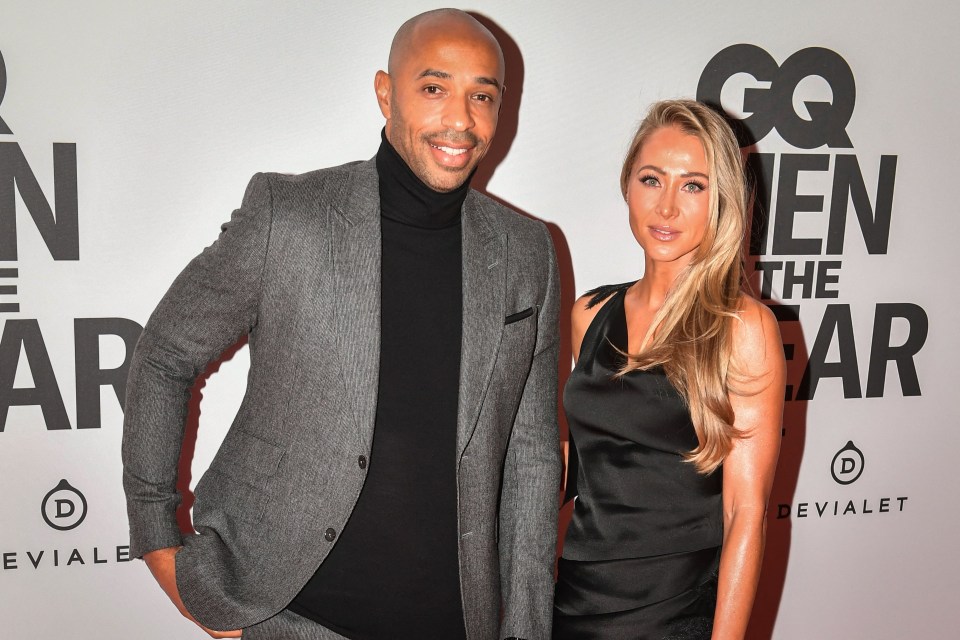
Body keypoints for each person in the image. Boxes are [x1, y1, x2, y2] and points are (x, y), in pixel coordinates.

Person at [121, 9, 561, 640]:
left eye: (482, 96)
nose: (460, 120)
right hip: (292, 619)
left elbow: (532, 457)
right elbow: (165, 353)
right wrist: (155, 531)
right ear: (386, 93)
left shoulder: (526, 252)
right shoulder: (289, 217)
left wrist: (524, 630)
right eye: (434, 89)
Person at [552, 100, 786, 639]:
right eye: (652, 179)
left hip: (674, 615)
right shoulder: (589, 315)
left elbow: (744, 514)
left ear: (722, 199)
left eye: (694, 186)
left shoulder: (742, 328)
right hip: (573, 602)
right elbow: (583, 463)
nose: (667, 207)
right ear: (627, 186)